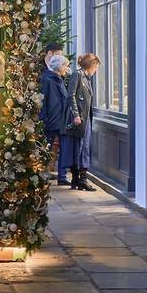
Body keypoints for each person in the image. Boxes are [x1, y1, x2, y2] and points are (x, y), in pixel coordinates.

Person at [61, 52, 100, 191]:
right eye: (96, 68)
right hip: (79, 119)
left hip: (85, 119)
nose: (95, 71)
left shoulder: (86, 78)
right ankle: (78, 179)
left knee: (84, 148)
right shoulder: (77, 75)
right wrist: (76, 115)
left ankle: (80, 179)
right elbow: (70, 95)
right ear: (91, 65)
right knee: (78, 148)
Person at [38, 52, 70, 186]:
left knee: (62, 147)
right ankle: (45, 173)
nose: (66, 69)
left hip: (59, 120)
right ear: (58, 67)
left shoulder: (57, 79)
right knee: (49, 147)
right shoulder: (48, 80)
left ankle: (61, 176)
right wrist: (44, 119)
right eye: (65, 66)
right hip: (52, 120)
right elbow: (43, 101)